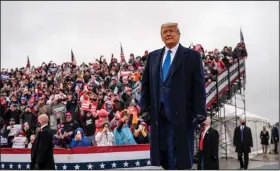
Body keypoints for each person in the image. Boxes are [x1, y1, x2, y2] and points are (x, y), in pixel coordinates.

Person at [140, 22, 206, 169]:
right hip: (159, 116)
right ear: (161, 37)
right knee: (164, 156)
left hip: (182, 115)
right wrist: (144, 109)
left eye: (171, 31)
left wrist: (200, 112)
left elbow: (199, 86)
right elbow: (145, 86)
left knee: (179, 158)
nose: (168, 34)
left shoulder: (192, 56)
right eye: (165, 32)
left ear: (178, 34)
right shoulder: (153, 57)